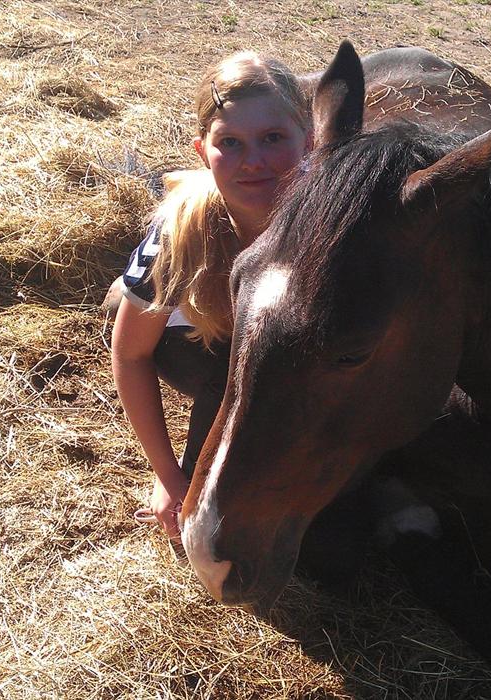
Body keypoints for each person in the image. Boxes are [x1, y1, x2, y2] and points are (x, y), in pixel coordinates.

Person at [107, 51, 313, 543]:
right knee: (214, 358)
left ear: (309, 138)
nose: (255, 161)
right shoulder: (182, 231)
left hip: (282, 356)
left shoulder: (333, 220)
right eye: (231, 143)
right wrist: (169, 476)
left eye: (273, 138)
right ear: (202, 152)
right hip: (210, 345)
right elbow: (130, 352)